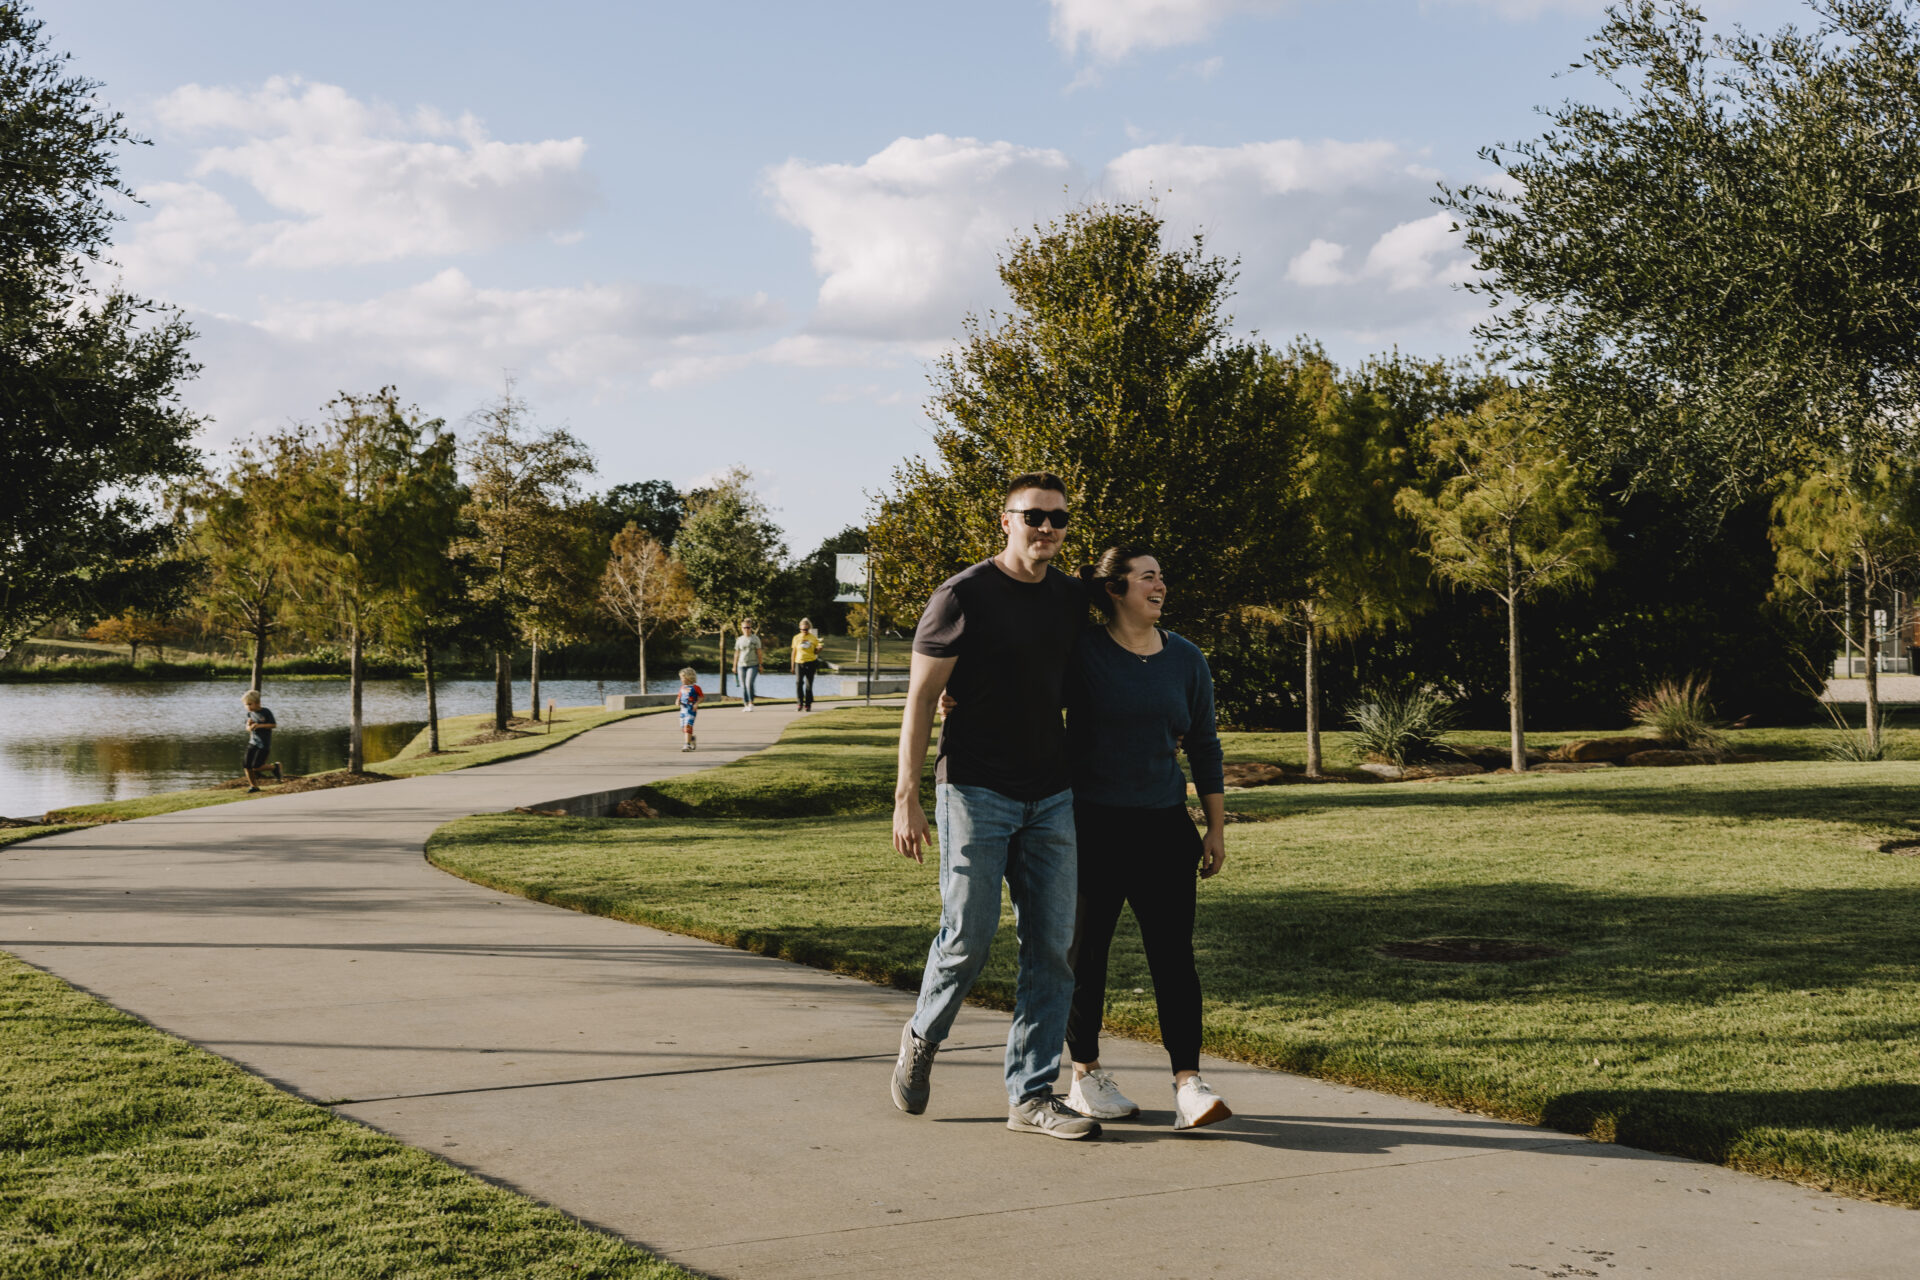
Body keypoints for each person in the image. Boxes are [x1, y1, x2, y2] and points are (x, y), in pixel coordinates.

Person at [889, 471, 1098, 1140]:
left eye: (1058, 520)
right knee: (967, 938)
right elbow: (921, 699)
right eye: (1034, 516)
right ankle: (923, 1037)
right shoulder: (962, 595)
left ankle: (1032, 1094)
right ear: (1004, 520)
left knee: (1053, 946)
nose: (1047, 529)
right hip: (974, 788)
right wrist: (907, 797)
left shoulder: (1070, 600)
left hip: (1052, 792)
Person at [1061, 547, 1232, 1131]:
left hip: (1163, 827)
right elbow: (1026, 700)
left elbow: (1205, 744)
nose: (1161, 585)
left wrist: (1214, 825)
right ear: (1115, 589)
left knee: (1174, 958)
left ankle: (1189, 1082)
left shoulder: (1185, 658)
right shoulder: (1081, 652)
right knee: (1086, 956)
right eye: (1148, 576)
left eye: (1163, 575)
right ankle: (1084, 1074)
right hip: (1091, 827)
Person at [240, 690, 282, 793]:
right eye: (246, 705)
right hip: (253, 742)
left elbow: (273, 725)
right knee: (246, 765)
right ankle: (254, 786)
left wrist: (259, 725)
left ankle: (274, 767)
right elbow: (247, 728)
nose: (248, 707)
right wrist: (249, 727)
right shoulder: (249, 714)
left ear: (258, 703)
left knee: (257, 766)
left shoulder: (265, 712)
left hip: (263, 744)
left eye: (250, 704)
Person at [791, 617, 822, 712]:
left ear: (809, 628)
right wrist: (792, 666)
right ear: (800, 628)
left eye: (806, 629)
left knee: (809, 685)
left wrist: (819, 649)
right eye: (802, 629)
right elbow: (793, 652)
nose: (804, 631)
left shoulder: (813, 638)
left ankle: (808, 704)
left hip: (811, 662)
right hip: (799, 662)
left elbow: (816, 652)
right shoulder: (796, 638)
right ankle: (800, 703)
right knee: (798, 683)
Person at [734, 619, 763, 712]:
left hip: (753, 664)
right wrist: (734, 666)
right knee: (743, 685)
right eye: (744, 627)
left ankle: (751, 703)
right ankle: (745, 703)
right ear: (741, 628)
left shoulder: (755, 639)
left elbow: (759, 652)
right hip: (741, 665)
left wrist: (760, 664)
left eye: (748, 627)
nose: (746, 629)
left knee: (749, 683)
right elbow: (736, 653)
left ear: (751, 628)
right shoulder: (739, 639)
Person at [676, 667, 703, 751]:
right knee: (683, 728)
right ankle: (692, 739)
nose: (681, 680)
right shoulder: (682, 687)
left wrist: (696, 703)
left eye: (682, 678)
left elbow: (701, 697)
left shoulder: (696, 688)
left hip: (691, 710)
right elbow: (679, 696)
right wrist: (677, 701)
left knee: (688, 727)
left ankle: (687, 745)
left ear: (688, 677)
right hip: (683, 709)